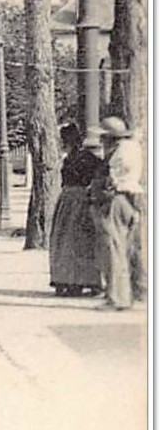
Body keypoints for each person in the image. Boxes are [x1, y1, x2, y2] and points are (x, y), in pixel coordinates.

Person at [92, 116, 145, 311]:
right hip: (130, 199)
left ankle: (116, 298)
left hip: (116, 199)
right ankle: (127, 294)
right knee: (124, 249)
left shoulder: (116, 154)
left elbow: (110, 180)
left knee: (113, 250)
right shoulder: (132, 148)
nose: (100, 142)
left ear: (109, 137)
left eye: (103, 138)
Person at [49, 121, 104, 296]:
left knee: (75, 241)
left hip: (76, 201)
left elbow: (100, 171)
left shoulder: (84, 157)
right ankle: (72, 280)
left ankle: (76, 280)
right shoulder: (74, 157)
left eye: (63, 140)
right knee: (71, 241)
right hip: (71, 200)